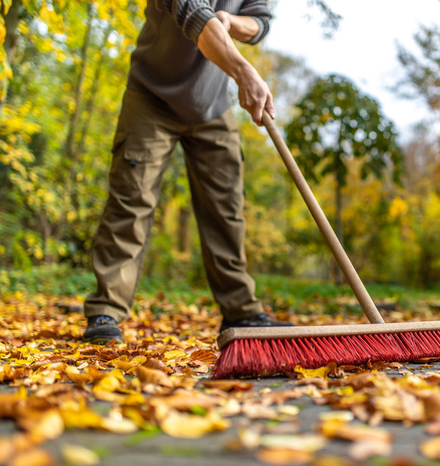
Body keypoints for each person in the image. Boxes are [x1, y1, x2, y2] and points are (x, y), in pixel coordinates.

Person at [82, 0, 292, 344]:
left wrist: (232, 22)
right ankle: (106, 308)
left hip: (212, 105)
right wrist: (244, 72)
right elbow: (195, 17)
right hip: (151, 96)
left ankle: (241, 312)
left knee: (227, 209)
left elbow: (261, 22)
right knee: (131, 201)